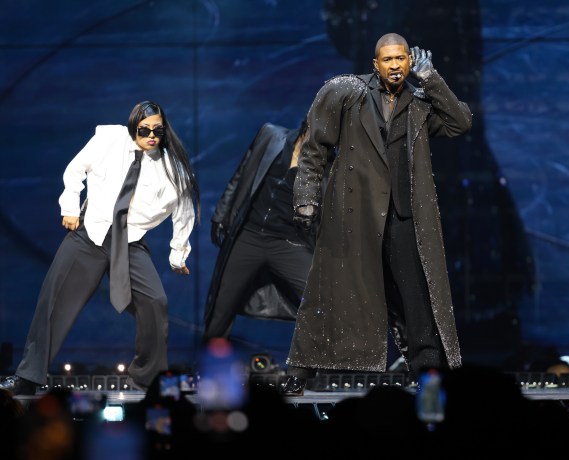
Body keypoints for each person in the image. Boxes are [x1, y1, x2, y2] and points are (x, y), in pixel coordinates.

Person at [282, 33, 472, 396]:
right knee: (329, 293)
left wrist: (432, 79)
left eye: (402, 59)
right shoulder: (347, 94)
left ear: (410, 62)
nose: (396, 65)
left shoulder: (419, 104)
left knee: (416, 295)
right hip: (354, 213)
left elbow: (460, 122)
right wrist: (306, 196)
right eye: (389, 60)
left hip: (403, 215)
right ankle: (299, 371)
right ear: (376, 64)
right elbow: (315, 148)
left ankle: (428, 372)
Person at [0, 101, 200, 395]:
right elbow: (74, 169)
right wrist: (69, 206)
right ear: (134, 126)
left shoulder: (173, 169)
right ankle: (29, 376)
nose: (151, 135)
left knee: (155, 302)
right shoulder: (109, 140)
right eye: (144, 130)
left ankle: (148, 379)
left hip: (130, 244)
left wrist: (177, 252)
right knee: (53, 302)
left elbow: (184, 212)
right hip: (89, 236)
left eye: (158, 130)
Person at [203, 118, 330, 342]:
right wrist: (221, 214)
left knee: (320, 297)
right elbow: (241, 175)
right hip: (249, 235)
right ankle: (209, 368)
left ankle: (309, 369)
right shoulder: (271, 136)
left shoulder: (327, 165)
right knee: (221, 307)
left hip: (288, 242)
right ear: (307, 125)